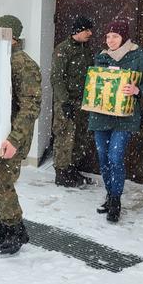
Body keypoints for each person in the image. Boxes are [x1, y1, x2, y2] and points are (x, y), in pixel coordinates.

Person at [0, 15, 42, 255]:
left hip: (12, 138)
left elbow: (31, 106)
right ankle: (4, 230)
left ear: (11, 36)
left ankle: (15, 230)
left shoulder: (23, 64)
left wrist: (15, 139)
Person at [88, 20, 143, 223]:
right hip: (100, 115)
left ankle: (116, 200)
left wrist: (137, 90)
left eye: (115, 36)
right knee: (103, 158)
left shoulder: (139, 55)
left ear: (123, 37)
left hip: (125, 117)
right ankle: (109, 195)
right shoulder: (102, 56)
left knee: (115, 156)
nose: (110, 40)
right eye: (108, 36)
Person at [50, 16, 95, 187]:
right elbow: (56, 78)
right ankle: (61, 174)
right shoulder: (63, 49)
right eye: (87, 30)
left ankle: (72, 169)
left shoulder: (86, 49)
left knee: (80, 137)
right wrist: (65, 101)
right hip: (66, 102)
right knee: (64, 137)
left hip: (83, 102)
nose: (90, 33)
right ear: (77, 31)